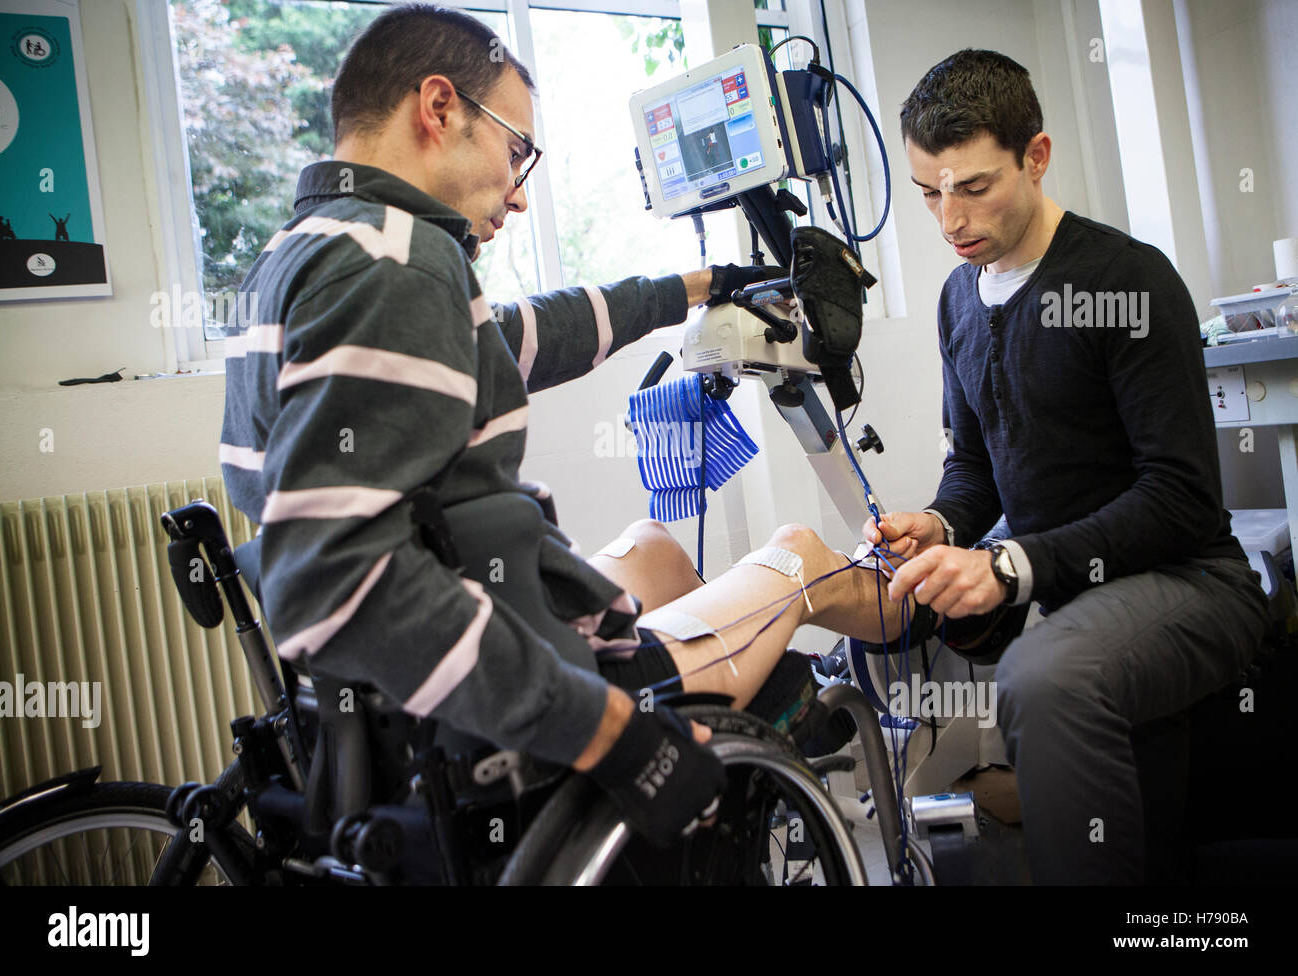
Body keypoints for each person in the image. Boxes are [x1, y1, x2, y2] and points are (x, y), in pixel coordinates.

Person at [219, 3, 913, 848]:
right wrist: (608, 733)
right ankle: (944, 616)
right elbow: (330, 577)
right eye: (516, 151)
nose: (517, 193)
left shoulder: (309, 250)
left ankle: (769, 668)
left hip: (405, 684)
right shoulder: (398, 267)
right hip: (497, 712)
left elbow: (523, 337)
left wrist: (704, 284)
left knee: (656, 546)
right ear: (438, 108)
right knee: (803, 554)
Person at [863, 48, 1271, 883]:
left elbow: (1183, 497)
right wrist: (941, 525)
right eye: (929, 192)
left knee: (1043, 679)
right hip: (1073, 587)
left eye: (973, 187)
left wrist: (1012, 564)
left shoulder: (1127, 281)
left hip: (1191, 577)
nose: (950, 220)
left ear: (1036, 157)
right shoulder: (959, 299)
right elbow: (977, 466)